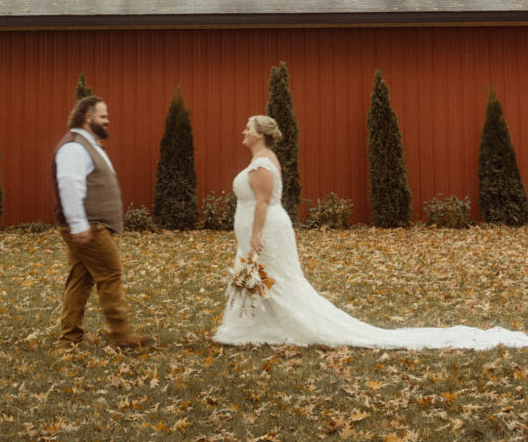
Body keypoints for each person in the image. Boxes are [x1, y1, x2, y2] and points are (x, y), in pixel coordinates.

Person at [213, 115, 528, 350]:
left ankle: (267, 328)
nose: (244, 131)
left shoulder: (263, 165)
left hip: (265, 230)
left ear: (260, 135)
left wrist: (255, 236)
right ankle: (252, 327)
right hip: (258, 230)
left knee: (274, 280)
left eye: (248, 128)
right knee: (263, 279)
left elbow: (263, 203)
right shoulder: (260, 160)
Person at [53, 94, 152, 350]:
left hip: (90, 224)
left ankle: (69, 338)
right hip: (90, 225)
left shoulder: (88, 144)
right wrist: (79, 224)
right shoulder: (74, 147)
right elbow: (70, 186)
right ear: (88, 117)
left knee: (80, 279)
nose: (107, 121)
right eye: (103, 116)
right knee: (110, 274)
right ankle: (121, 336)